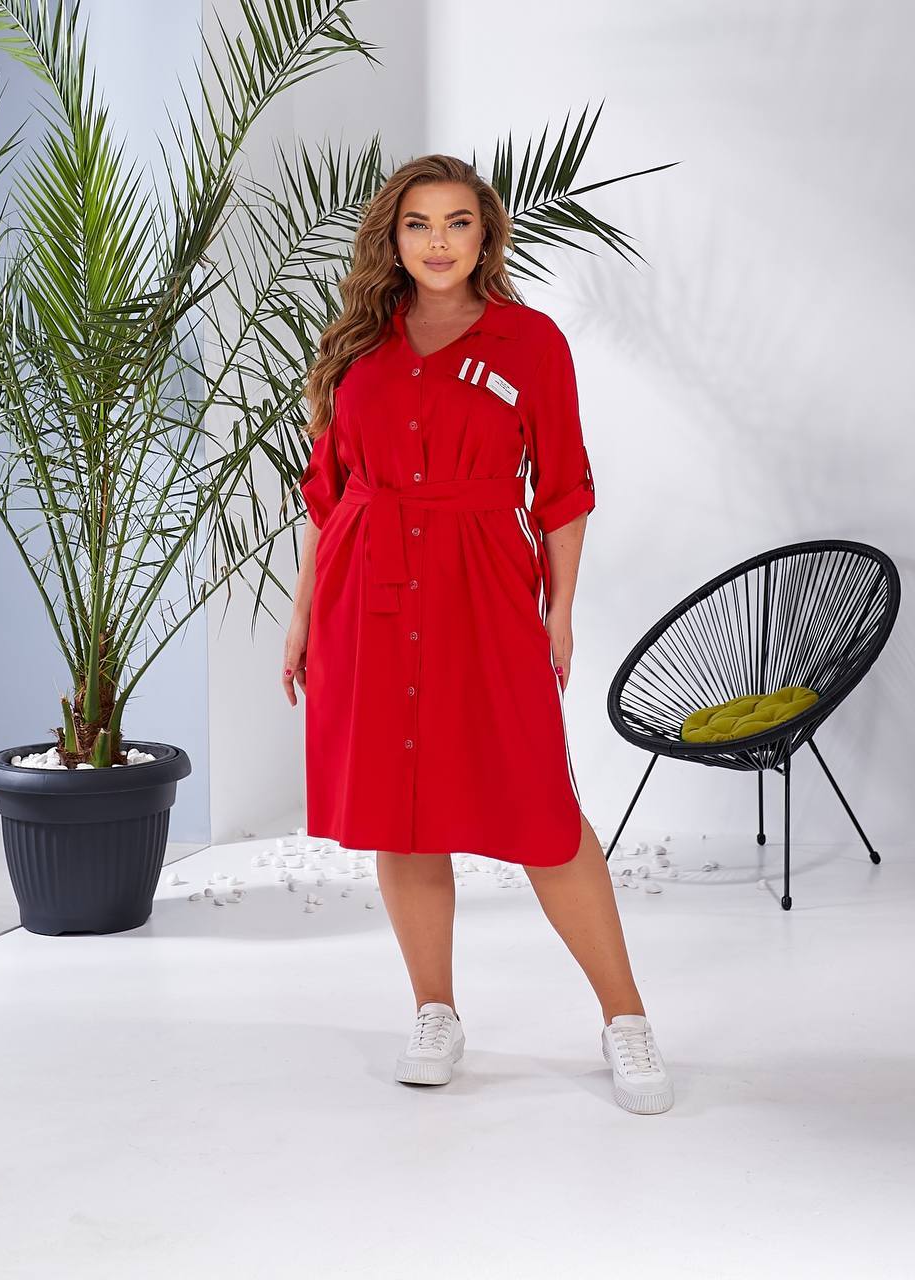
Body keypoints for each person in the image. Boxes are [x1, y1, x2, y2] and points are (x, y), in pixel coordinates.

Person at [283, 154, 673, 1115]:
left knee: (542, 810)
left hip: (485, 589)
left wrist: (559, 611)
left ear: (485, 235)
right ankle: (435, 1012)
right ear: (393, 238)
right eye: (419, 224)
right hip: (368, 593)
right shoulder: (359, 347)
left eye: (458, 223)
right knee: (401, 810)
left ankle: (625, 1018)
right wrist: (300, 616)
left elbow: (564, 489)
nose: (439, 242)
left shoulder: (530, 342)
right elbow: (329, 495)